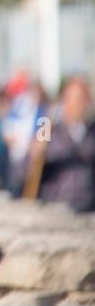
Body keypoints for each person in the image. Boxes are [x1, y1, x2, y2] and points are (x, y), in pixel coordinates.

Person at [35, 76, 95, 212]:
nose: (75, 105)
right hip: (57, 207)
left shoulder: (92, 130)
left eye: (80, 100)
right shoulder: (49, 127)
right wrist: (36, 151)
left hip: (88, 207)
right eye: (71, 99)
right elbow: (31, 168)